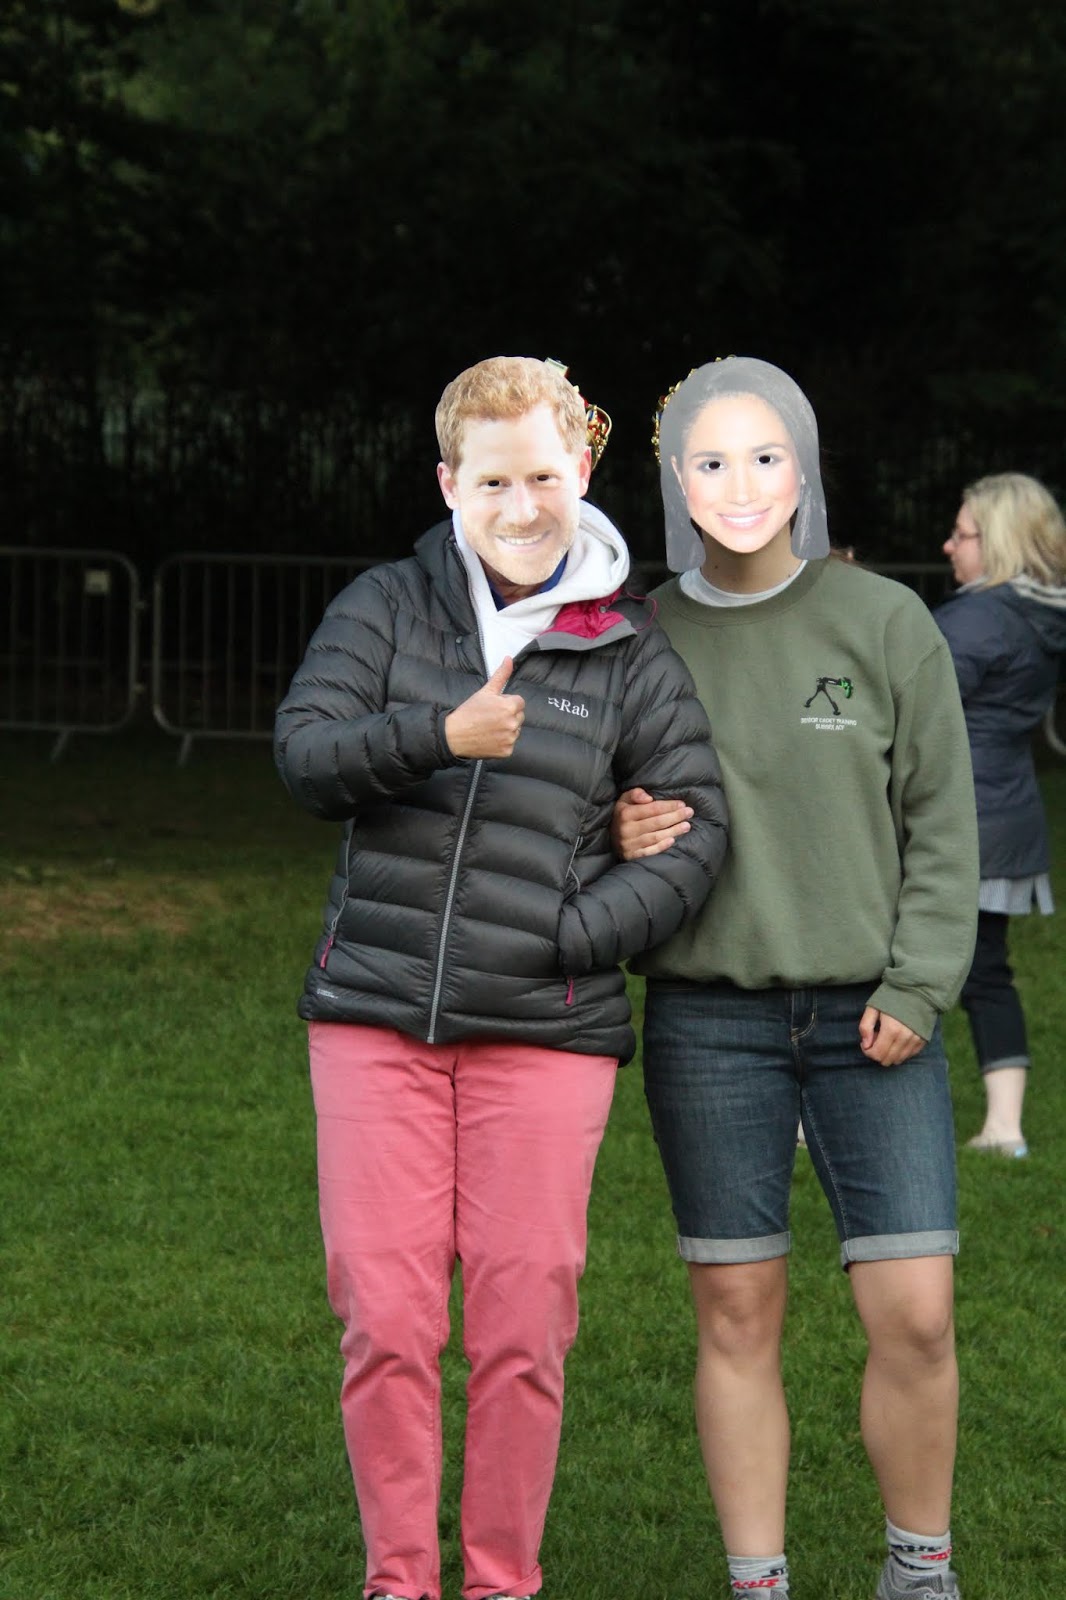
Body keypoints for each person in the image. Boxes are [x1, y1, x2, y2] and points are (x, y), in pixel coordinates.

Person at [273, 355, 728, 1600]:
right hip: (374, 1020)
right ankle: (399, 1580)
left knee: (524, 1331)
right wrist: (438, 733)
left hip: (546, 1028)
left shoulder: (629, 647)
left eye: (541, 476)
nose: (519, 505)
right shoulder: (385, 605)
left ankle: (501, 1581)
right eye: (490, 481)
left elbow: (696, 835)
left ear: (580, 470)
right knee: (387, 1322)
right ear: (448, 484)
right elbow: (305, 755)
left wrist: (570, 934)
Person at [611, 357, 978, 1600]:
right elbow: (574, 813)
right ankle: (756, 1582)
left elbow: (943, 827)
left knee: (915, 1311)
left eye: (766, 456)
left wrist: (919, 986)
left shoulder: (884, 622)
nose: (741, 483)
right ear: (675, 480)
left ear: (804, 469)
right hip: (707, 1022)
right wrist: (614, 835)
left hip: (877, 1016)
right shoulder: (637, 636)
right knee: (736, 1313)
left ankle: (918, 1571)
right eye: (711, 460)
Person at [934, 472, 1066, 1157]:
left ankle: (827, 1117)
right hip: (1008, 808)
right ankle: (1005, 1128)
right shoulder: (1042, 617)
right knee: (988, 970)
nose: (948, 545)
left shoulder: (977, 620)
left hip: (949, 816)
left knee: (877, 962)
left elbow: (911, 713)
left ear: (1001, 541)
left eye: (963, 534)